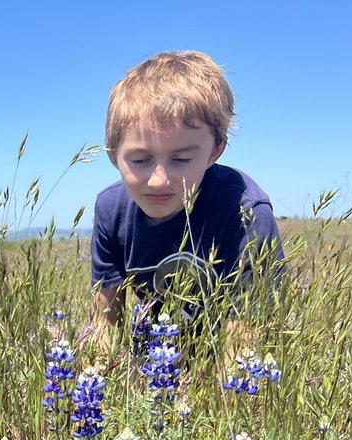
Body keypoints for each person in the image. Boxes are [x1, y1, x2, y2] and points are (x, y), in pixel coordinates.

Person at [83, 51, 283, 362]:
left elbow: (243, 349)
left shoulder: (245, 213)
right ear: (113, 154)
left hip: (228, 355)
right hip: (155, 359)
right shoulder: (112, 210)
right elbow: (104, 325)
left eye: (181, 159)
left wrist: (212, 389)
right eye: (140, 159)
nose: (159, 180)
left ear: (215, 152)